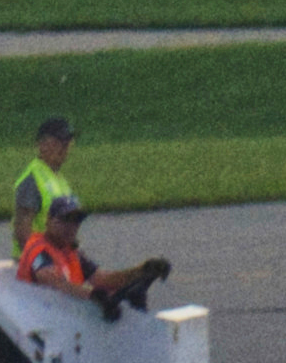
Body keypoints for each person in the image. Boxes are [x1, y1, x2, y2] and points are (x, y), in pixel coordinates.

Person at [14, 196, 169, 319]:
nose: (71, 226)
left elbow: (102, 279)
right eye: (65, 220)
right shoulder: (38, 249)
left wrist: (141, 270)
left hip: (67, 316)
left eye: (76, 221)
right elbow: (55, 283)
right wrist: (95, 295)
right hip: (39, 319)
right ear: (48, 221)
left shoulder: (70, 252)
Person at [11, 118, 77, 242]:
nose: (64, 148)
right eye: (58, 143)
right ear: (42, 144)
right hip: (36, 259)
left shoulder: (60, 180)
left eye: (67, 143)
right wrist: (41, 259)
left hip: (57, 257)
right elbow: (22, 231)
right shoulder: (32, 179)